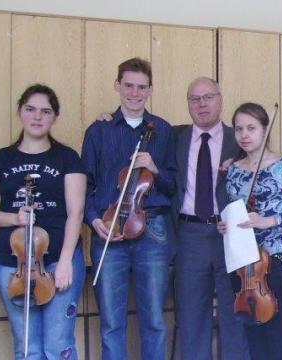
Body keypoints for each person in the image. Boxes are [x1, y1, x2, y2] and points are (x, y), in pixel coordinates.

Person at [0, 84, 86, 359]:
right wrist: (14, 217)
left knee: (58, 345)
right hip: (14, 263)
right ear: (20, 112)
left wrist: (64, 263)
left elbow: (76, 213)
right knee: (27, 347)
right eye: (31, 109)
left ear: (54, 117)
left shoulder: (67, 158)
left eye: (46, 111)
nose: (37, 117)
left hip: (60, 258)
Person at [81, 57, 176, 360]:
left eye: (142, 87)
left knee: (154, 321)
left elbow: (174, 186)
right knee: (111, 323)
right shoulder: (98, 131)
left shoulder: (162, 129)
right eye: (129, 86)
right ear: (117, 85)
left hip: (154, 231)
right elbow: (85, 184)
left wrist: (155, 169)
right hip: (108, 229)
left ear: (150, 90)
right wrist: (94, 220)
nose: (135, 93)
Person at [217, 102, 282, 360]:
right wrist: (225, 224)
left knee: (281, 336)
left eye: (251, 128)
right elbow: (234, 211)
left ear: (265, 130)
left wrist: (270, 221)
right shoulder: (234, 170)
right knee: (253, 337)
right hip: (243, 264)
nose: (244, 135)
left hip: (274, 259)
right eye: (238, 129)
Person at [173, 77, 250, 360]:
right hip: (189, 235)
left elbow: (263, 170)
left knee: (235, 314)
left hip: (230, 234)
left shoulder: (240, 139)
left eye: (208, 97)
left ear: (220, 99)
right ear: (188, 105)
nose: (201, 104)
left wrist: (242, 165)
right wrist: (107, 118)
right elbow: (137, 129)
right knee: (192, 317)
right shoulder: (174, 137)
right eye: (194, 99)